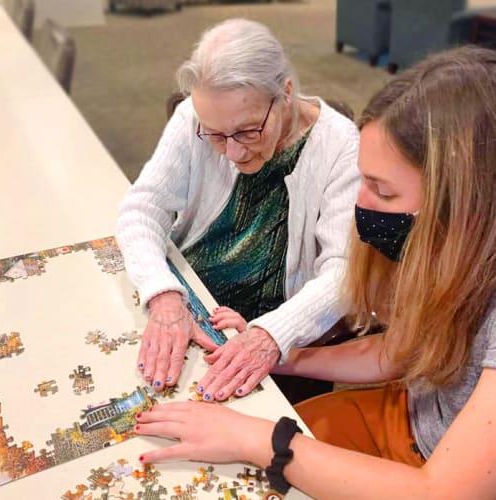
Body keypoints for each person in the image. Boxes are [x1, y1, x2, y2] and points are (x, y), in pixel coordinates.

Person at [133, 45, 496, 498]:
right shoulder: (460, 253)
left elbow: (442, 491)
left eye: (382, 192)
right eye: (362, 180)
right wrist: (286, 356)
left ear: (467, 203)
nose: (360, 204)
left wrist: (255, 439)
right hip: (405, 414)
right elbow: (408, 350)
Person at [116, 18, 360, 401]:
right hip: (188, 299)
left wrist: (268, 334)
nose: (233, 152)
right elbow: (141, 209)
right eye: (214, 135)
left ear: (286, 94)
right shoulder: (194, 116)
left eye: (249, 131)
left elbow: (345, 272)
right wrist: (164, 296)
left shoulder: (342, 146)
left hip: (280, 331)